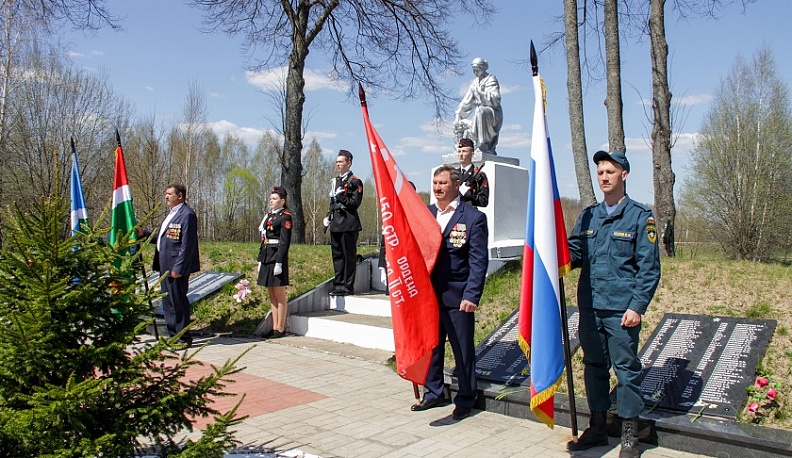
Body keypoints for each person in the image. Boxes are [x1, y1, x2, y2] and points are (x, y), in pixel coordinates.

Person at [566, 150, 661, 458]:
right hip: (591, 307)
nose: (604, 176)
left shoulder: (639, 215)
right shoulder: (588, 215)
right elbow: (574, 255)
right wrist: (550, 246)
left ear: (624, 174)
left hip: (621, 311)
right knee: (594, 367)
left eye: (610, 171)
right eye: (600, 172)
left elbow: (649, 269)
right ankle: (596, 426)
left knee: (626, 371)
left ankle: (629, 433)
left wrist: (637, 307)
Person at [411, 165, 488, 421]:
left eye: (442, 183)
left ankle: (466, 397)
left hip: (458, 296)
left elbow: (478, 261)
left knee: (462, 350)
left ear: (456, 184)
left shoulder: (473, 217)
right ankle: (434, 392)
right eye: (435, 183)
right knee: (432, 347)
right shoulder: (426, 213)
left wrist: (472, 295)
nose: (437, 188)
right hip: (429, 294)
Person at [146, 184, 200, 346]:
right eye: (166, 194)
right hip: (165, 265)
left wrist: (179, 268)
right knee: (168, 302)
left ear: (180, 196)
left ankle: (183, 337)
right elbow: (165, 238)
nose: (166, 197)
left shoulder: (187, 215)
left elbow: (187, 244)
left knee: (178, 302)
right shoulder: (171, 214)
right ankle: (173, 335)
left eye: (170, 194)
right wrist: (146, 235)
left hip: (176, 266)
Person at [325, 150, 363, 296]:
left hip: (348, 223)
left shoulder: (355, 181)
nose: (338, 164)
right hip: (336, 222)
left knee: (349, 256)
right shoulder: (335, 181)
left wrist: (341, 197)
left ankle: (347, 286)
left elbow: (354, 203)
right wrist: (329, 215)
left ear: (349, 163)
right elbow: (332, 201)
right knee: (337, 256)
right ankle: (338, 284)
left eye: (341, 162)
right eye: (337, 162)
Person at [257, 186, 292, 338]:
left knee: (279, 294)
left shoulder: (285, 217)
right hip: (266, 255)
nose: (271, 201)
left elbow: (284, 242)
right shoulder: (269, 216)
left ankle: (280, 327)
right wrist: (260, 259)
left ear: (282, 201)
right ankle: (274, 326)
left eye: (275, 199)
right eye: (270, 198)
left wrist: (279, 262)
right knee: (271, 293)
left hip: (276, 256)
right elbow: (264, 238)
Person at [454, 57, 503, 155]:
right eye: (474, 70)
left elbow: (496, 100)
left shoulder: (491, 80)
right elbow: (467, 101)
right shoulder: (474, 83)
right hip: (479, 113)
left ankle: (482, 145)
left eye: (477, 69)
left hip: (493, 113)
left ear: (483, 68)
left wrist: (481, 93)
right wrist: (458, 114)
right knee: (463, 121)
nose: (475, 72)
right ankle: (464, 147)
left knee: (480, 111)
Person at [456, 138, 489, 207]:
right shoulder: (453, 174)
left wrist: (471, 196)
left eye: (464, 151)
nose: (461, 154)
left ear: (472, 154)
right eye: (459, 151)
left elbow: (484, 201)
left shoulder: (479, 175)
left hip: (470, 214)